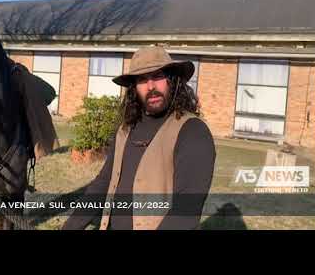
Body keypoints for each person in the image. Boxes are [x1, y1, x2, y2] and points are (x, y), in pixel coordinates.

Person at [62, 46, 216, 230]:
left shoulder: (193, 132)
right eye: (142, 79)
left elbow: (185, 211)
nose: (151, 87)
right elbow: (103, 183)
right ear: (134, 87)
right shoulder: (127, 128)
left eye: (158, 76)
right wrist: (70, 226)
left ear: (172, 80)